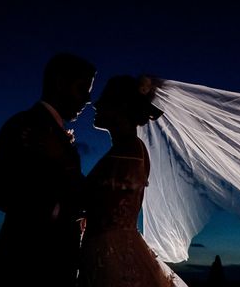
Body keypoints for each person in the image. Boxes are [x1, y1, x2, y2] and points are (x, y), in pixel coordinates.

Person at [0, 52, 97, 287]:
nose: (88, 99)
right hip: (25, 266)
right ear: (60, 83)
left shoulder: (57, 135)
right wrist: (54, 212)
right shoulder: (24, 124)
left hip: (55, 269)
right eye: (83, 88)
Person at [77, 75, 188, 287]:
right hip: (113, 247)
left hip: (112, 255)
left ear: (121, 108)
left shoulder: (128, 150)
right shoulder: (129, 149)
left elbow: (88, 198)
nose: (96, 104)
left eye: (105, 99)